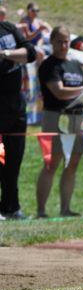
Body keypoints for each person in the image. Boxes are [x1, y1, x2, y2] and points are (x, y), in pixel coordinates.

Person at [35, 26, 83, 218]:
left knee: (72, 164)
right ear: (53, 42)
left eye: (66, 41)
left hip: (77, 117)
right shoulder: (49, 65)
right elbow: (59, 91)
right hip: (56, 117)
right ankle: (41, 210)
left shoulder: (74, 64)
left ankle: (65, 209)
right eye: (59, 41)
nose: (64, 45)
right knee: (52, 163)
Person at [0, 15, 38, 220]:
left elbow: (30, 52)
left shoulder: (7, 28)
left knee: (14, 160)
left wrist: (5, 53)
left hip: (16, 105)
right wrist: (14, 56)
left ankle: (11, 207)